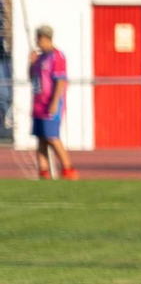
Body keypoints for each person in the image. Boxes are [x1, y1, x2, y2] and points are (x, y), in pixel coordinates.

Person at [28, 27, 78, 180]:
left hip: (50, 104)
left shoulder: (57, 56)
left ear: (45, 37)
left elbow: (60, 81)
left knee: (52, 136)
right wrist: (31, 63)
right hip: (38, 104)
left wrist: (55, 102)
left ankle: (68, 168)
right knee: (41, 137)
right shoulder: (40, 58)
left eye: (38, 38)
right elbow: (32, 77)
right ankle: (43, 171)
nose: (36, 41)